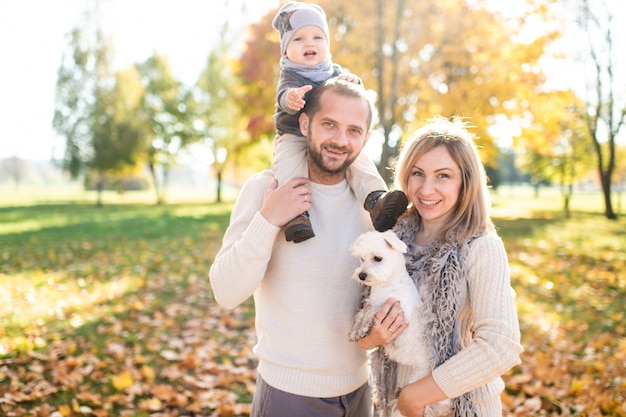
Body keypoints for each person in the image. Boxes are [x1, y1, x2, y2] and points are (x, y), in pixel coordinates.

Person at [210, 78, 404, 416]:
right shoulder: (265, 189)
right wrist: (268, 219)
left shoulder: (373, 207)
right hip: (289, 396)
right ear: (304, 123)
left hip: (360, 392)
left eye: (354, 131)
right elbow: (225, 292)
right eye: (329, 124)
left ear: (366, 139)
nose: (341, 141)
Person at [355, 117, 523, 416]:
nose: (426, 189)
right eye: (417, 173)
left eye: (443, 175)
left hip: (460, 405)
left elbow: (501, 345)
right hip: (393, 402)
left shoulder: (480, 245)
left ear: (465, 182)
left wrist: (415, 397)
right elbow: (365, 319)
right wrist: (372, 337)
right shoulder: (392, 238)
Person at [271, 1, 407, 243]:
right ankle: (297, 216)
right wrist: (289, 98)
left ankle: (376, 200)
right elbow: (283, 95)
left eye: (317, 37)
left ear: (327, 44)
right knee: (289, 168)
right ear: (285, 51)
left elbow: (354, 94)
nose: (310, 43)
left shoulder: (332, 71)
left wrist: (351, 82)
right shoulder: (290, 73)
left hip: (327, 137)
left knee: (359, 160)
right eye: (299, 39)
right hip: (293, 133)